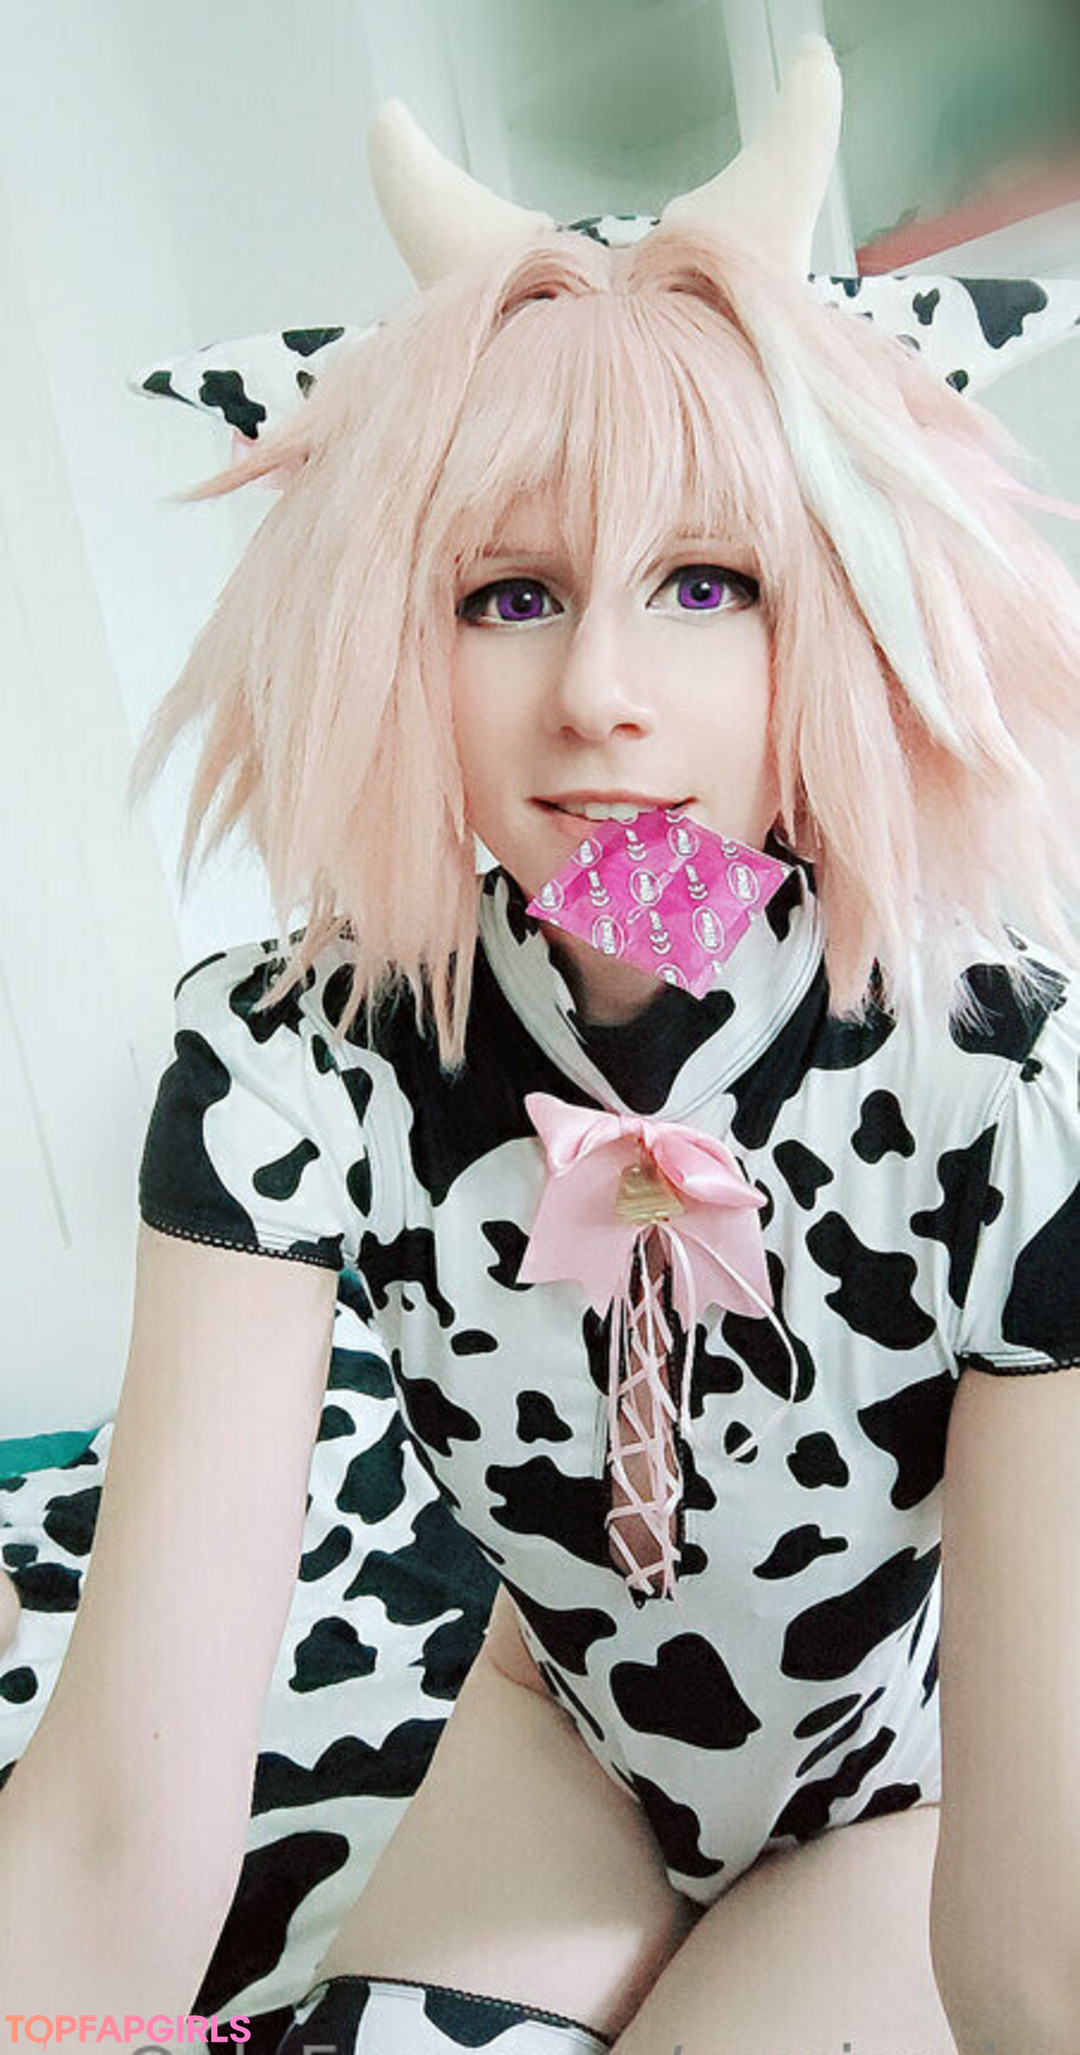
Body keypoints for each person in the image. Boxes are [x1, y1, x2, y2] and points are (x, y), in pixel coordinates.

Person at [0, 36, 1077, 2055]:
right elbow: (110, 1842)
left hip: (909, 1798)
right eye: (509, 591)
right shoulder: (288, 1064)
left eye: (706, 581)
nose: (600, 691)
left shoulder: (1011, 1090)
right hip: (562, 1736)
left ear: (840, 613)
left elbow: (1037, 1954)